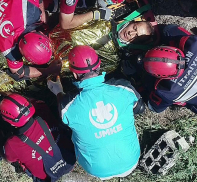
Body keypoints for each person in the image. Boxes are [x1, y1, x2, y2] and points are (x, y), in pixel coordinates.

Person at [47, 45, 144, 180]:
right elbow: (138, 106)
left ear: (74, 74)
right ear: (99, 66)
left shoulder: (67, 106)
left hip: (97, 170)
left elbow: (64, 118)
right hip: (131, 161)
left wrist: (58, 92)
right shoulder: (124, 88)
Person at [0, 94, 75, 182]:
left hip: (47, 178)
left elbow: (9, 159)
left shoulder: (12, 144)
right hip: (70, 159)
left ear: (12, 124)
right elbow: (32, 101)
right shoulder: (43, 110)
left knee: (1, 142)